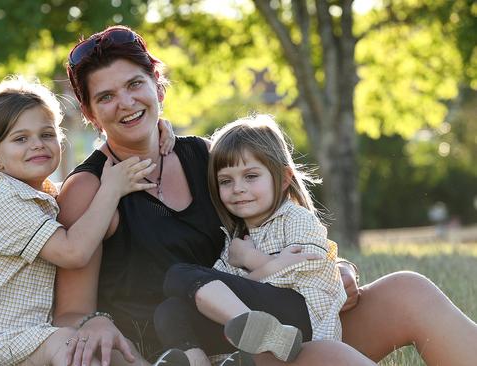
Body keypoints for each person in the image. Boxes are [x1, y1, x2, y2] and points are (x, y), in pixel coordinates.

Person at [55, 25, 477, 366]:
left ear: (158, 87)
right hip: (193, 348)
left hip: (277, 320)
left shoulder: (207, 158)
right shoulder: (90, 188)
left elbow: (282, 229)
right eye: (105, 97)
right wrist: (95, 322)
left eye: (135, 84)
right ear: (90, 114)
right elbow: (71, 312)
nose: (125, 103)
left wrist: (337, 270)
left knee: (408, 290)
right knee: (323, 355)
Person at [0, 76, 160, 366]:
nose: (37, 145)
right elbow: (73, 253)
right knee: (70, 344)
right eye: (21, 139)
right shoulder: (1, 200)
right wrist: (111, 189)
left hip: (29, 342)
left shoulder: (48, 197)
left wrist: (158, 131)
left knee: (99, 349)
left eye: (47, 134)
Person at [157, 115, 347, 365]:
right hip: (269, 319)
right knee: (169, 310)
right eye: (226, 181)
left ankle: (258, 329)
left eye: (251, 176)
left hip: (303, 318)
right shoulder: (236, 237)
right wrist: (261, 269)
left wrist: (251, 260)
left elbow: (311, 265)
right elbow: (214, 294)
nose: (237, 188)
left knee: (179, 275)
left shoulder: (295, 218)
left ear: (284, 178)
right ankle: (197, 360)